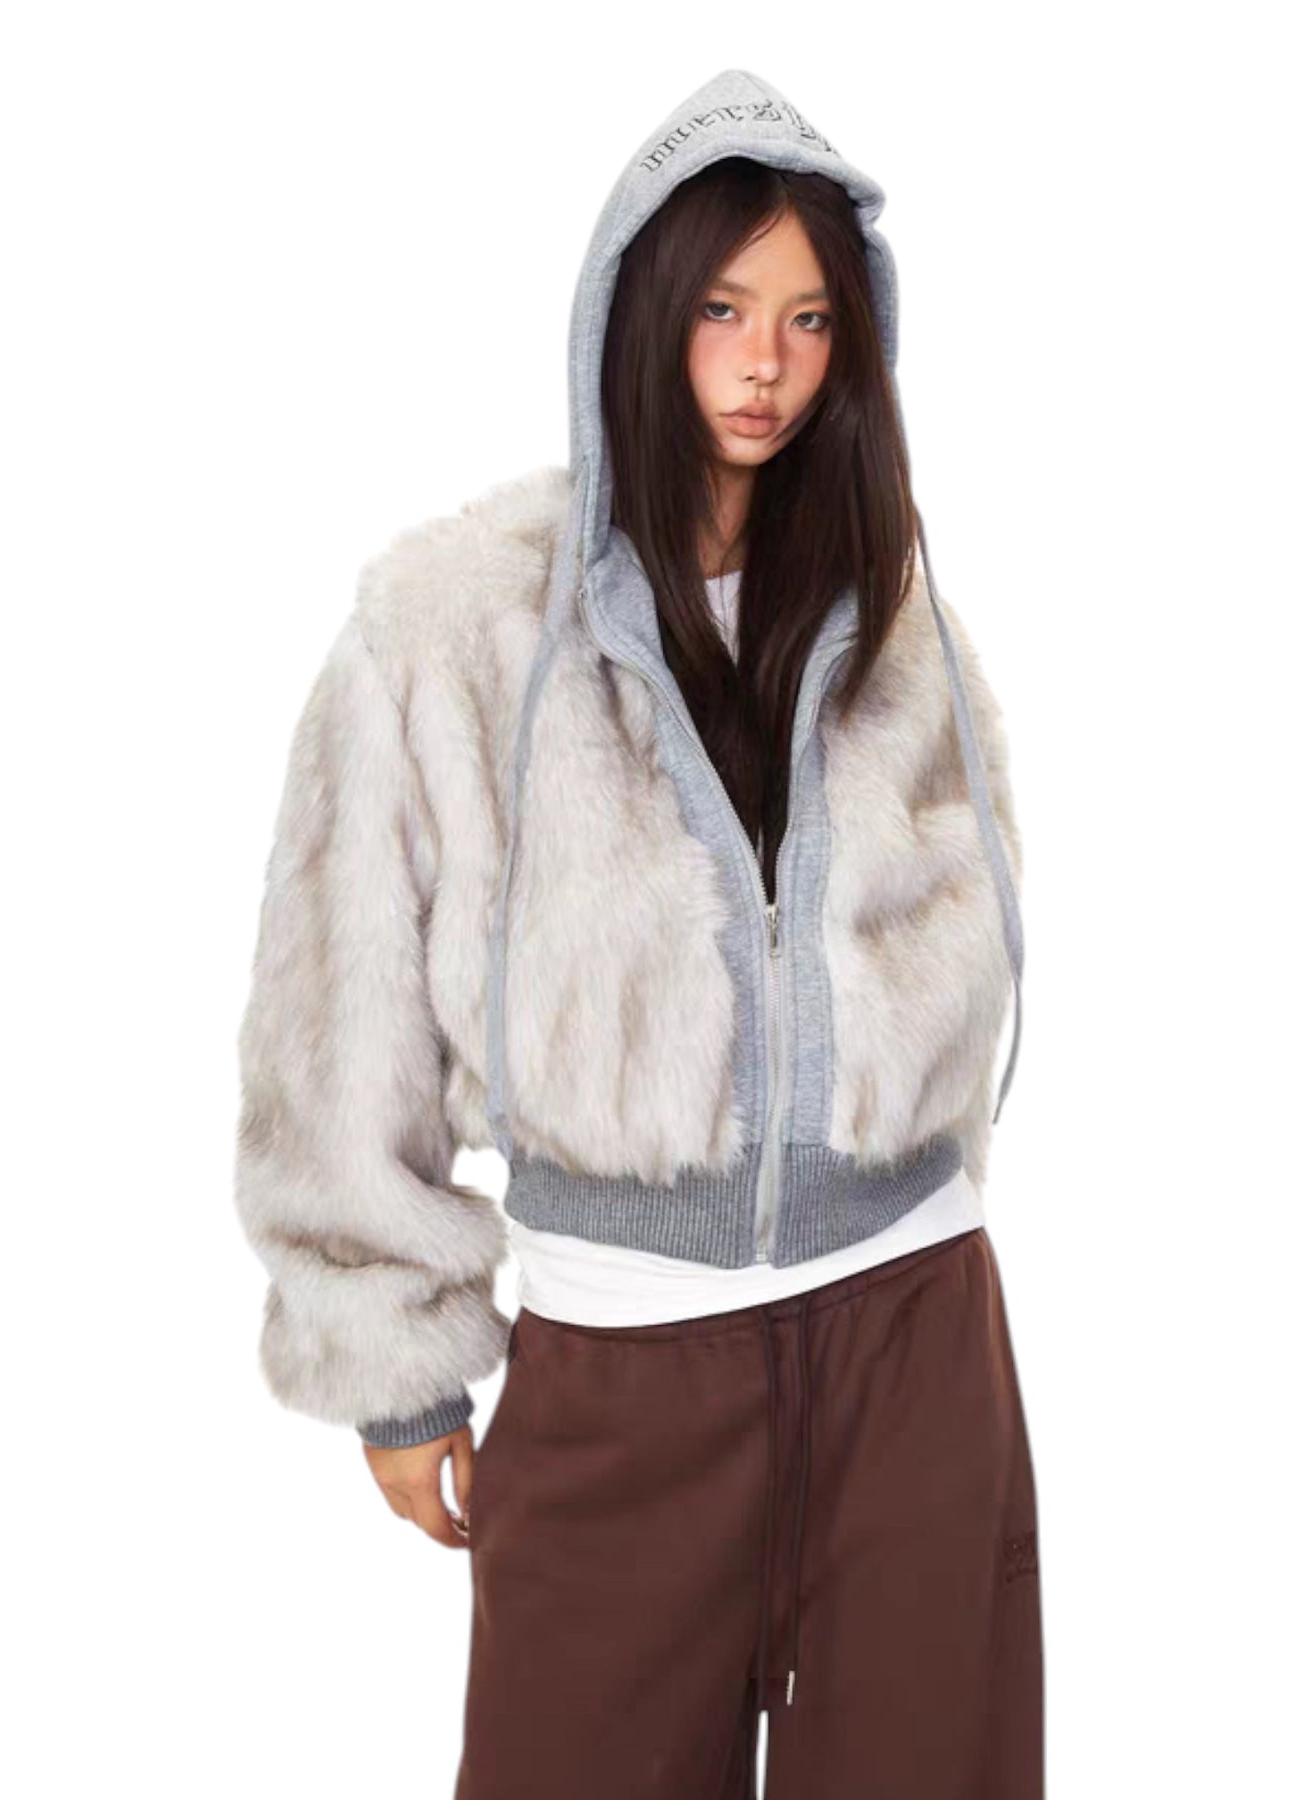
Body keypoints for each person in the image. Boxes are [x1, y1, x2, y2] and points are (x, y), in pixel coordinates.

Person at [232, 66, 1042, 1800]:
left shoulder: (893, 612)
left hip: (911, 1340)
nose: (764, 366)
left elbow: (969, 926)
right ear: (635, 314)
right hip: (620, 1369)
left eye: (809, 321)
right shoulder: (452, 627)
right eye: (722, 312)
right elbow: (342, 1005)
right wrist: (392, 1361)